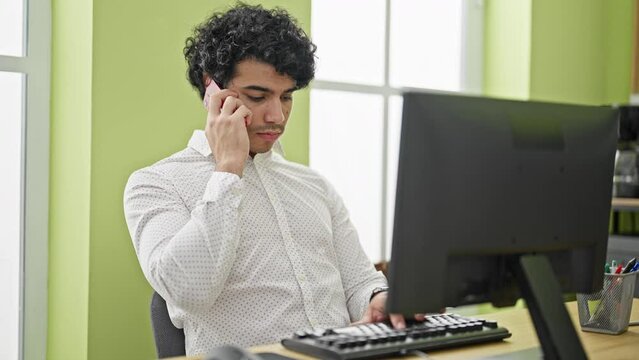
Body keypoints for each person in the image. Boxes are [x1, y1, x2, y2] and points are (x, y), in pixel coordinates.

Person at [124, 3, 403, 355]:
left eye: (286, 97)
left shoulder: (314, 186)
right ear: (213, 90)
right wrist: (228, 169)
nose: (277, 115)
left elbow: (359, 281)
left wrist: (378, 297)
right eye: (258, 96)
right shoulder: (156, 185)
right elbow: (187, 291)